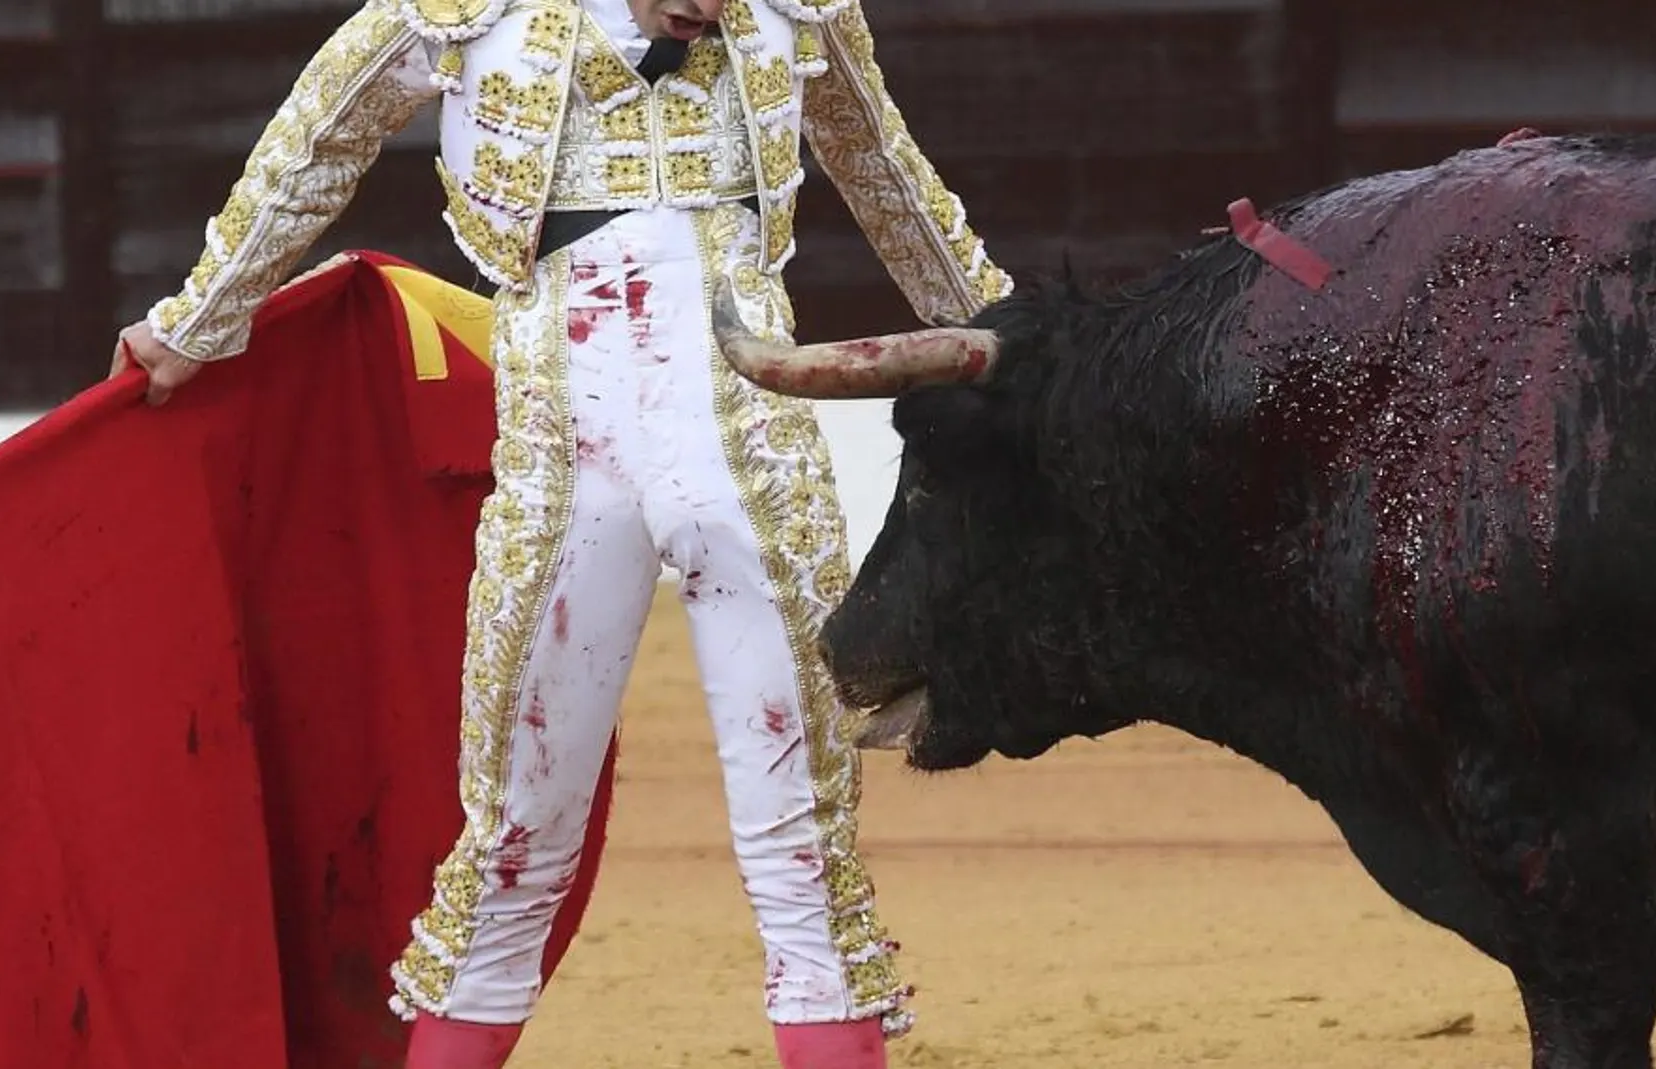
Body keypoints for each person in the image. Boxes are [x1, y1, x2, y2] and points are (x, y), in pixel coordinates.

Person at [114, 1, 1011, 1066]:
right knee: (511, 848)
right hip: (571, 474)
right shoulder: (463, 11)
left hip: (743, 475)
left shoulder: (790, 9)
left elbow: (888, 174)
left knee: (800, 859)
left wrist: (1015, 341)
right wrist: (196, 322)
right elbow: (317, 141)